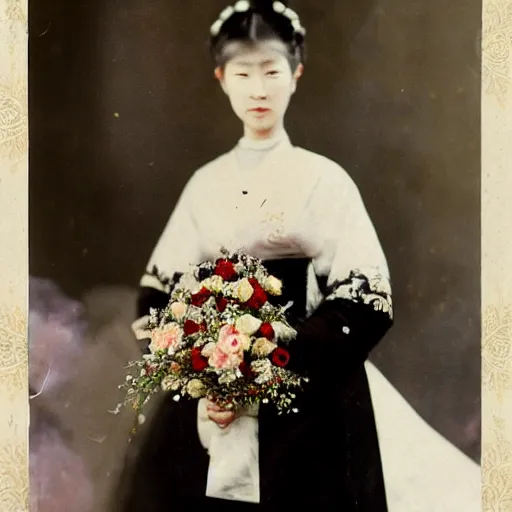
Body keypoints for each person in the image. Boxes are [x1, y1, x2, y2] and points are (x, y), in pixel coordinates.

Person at [113, 1, 480, 511]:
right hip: (213, 403)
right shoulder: (206, 185)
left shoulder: (323, 179)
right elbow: (156, 297)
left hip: (307, 394)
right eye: (243, 73)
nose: (258, 90)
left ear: (297, 73)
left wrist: (272, 362)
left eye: (272, 71)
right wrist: (204, 373)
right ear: (222, 78)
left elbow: (366, 298)